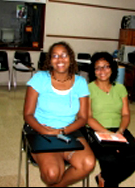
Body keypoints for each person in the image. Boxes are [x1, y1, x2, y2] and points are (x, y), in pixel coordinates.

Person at [23, 41, 96, 187]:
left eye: (64, 55)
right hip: (40, 130)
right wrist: (46, 131)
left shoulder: (80, 82)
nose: (60, 59)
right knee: (52, 174)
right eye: (55, 56)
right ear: (50, 61)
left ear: (71, 58)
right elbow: (28, 114)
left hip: (69, 130)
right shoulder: (40, 78)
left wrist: (63, 130)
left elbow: (83, 118)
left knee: (88, 163)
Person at [87, 52, 135, 187]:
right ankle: (108, 182)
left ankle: (104, 179)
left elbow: (125, 115)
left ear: (112, 68)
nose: (102, 71)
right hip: (97, 130)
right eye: (98, 67)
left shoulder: (120, 88)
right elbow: (88, 117)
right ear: (93, 71)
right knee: (110, 158)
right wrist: (108, 134)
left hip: (119, 131)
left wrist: (120, 131)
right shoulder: (88, 89)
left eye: (106, 66)